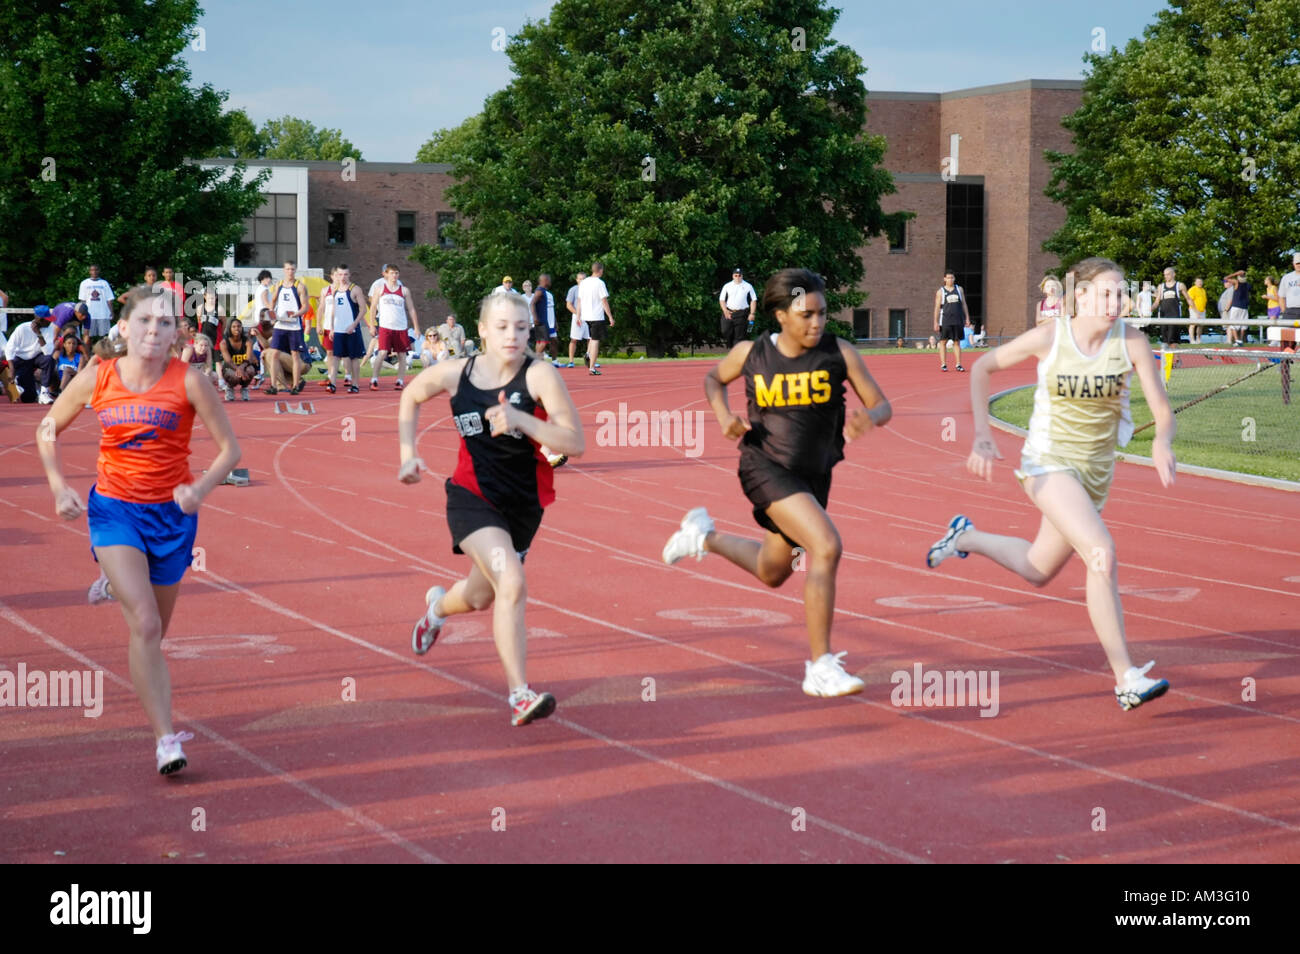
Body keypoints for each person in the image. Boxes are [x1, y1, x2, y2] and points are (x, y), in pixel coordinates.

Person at [926, 256, 1175, 711]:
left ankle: (966, 537)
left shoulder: (1132, 342)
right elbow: (982, 368)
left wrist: (1162, 441)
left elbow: (1162, 409)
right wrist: (982, 435)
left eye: (1121, 293)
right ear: (1080, 295)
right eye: (1105, 293)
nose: (1115, 302)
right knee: (1101, 553)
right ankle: (1126, 677)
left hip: (1095, 478)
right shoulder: (1051, 337)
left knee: (1037, 569)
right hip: (1047, 466)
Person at [35, 283, 241, 774]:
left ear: (176, 333)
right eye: (145, 321)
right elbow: (47, 428)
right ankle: (165, 739)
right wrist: (58, 485)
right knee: (145, 623)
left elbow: (230, 451)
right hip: (115, 510)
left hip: (173, 518)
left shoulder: (190, 381)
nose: (154, 330)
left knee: (155, 633)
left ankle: (115, 582)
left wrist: (201, 489)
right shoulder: (98, 377)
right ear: (123, 328)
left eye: (165, 323)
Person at [662, 268, 892, 697]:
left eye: (822, 313)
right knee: (826, 545)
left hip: (812, 478)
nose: (817, 323)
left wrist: (870, 418)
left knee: (773, 571)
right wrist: (722, 415)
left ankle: (702, 537)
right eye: (807, 314)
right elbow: (713, 378)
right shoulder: (753, 354)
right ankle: (820, 666)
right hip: (763, 466)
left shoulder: (838, 353)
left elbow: (882, 404)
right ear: (782, 315)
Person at [399, 290, 585, 726]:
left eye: (521, 328)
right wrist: (407, 452)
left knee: (481, 596)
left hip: (523, 507)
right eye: (501, 327)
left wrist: (523, 421)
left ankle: (435, 609)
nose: (512, 336)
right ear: (481, 330)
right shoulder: (456, 374)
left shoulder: (538, 376)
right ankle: (520, 695)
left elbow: (575, 443)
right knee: (513, 583)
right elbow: (411, 395)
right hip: (472, 498)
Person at [367, 264, 421, 390]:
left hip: (401, 327)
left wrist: (416, 327)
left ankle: (400, 380)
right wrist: (372, 325)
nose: (394, 276)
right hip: (385, 326)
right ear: (385, 274)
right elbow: (373, 307)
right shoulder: (380, 289)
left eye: (396, 273)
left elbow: (411, 309)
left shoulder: (404, 290)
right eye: (391, 273)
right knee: (382, 352)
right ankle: (374, 379)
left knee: (402, 355)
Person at [266, 261, 310, 394]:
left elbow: (305, 306)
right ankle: (273, 385)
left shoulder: (300, 286)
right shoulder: (278, 285)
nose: (290, 272)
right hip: (280, 324)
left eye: (292, 269)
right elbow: (272, 302)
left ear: (295, 270)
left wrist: (296, 314)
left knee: (295, 355)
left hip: (294, 326)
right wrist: (271, 313)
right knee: (274, 354)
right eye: (287, 269)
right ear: (284, 270)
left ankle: (296, 386)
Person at [322, 265, 367, 394]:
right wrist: (331, 328)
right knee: (336, 356)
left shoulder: (355, 289)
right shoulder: (335, 290)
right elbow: (333, 311)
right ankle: (333, 384)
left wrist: (354, 324)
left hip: (351, 329)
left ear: (349, 275)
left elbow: (363, 309)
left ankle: (355, 385)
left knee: (353, 358)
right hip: (338, 329)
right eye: (340, 275)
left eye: (345, 274)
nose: (342, 277)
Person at [4, 305, 57, 403]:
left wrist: (39, 334)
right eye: (48, 319)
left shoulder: (49, 328)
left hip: (37, 358)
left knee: (49, 360)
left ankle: (44, 393)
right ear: (40, 319)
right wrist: (11, 369)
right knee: (29, 399)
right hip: (21, 359)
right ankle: (20, 384)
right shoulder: (22, 328)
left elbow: (48, 353)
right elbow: (9, 348)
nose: (50, 321)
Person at [577, 261, 613, 375]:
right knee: (596, 340)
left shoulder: (583, 283)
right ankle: (592, 367)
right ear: (600, 270)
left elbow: (579, 300)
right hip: (596, 316)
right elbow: (604, 300)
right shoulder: (600, 283)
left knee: (592, 337)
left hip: (586, 316)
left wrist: (578, 315)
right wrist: (610, 317)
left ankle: (588, 353)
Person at [933, 270, 971, 371]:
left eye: (952, 278)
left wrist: (967, 318)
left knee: (956, 342)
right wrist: (935, 322)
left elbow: (964, 304)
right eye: (948, 278)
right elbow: (937, 307)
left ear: (954, 278)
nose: (950, 280)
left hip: (958, 320)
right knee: (943, 342)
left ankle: (958, 364)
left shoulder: (959, 289)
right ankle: (943, 364)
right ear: (944, 279)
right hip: (945, 320)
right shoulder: (940, 291)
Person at [718, 267, 758, 349]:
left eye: (739, 275)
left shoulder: (748, 286)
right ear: (733, 276)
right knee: (725, 331)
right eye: (736, 275)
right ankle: (730, 345)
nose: (737, 277)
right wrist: (725, 310)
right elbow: (722, 300)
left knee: (739, 337)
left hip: (742, 314)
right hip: (729, 312)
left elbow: (753, 300)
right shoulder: (727, 286)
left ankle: (735, 353)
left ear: (742, 276)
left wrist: (752, 313)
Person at [220, 318, 256, 401]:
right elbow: (228, 361)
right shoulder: (224, 343)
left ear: (242, 328)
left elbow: (249, 359)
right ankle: (229, 388)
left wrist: (241, 368)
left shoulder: (248, 341)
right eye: (234, 327)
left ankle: (244, 388)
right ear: (229, 328)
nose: (237, 328)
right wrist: (238, 369)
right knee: (234, 376)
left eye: (239, 326)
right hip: (229, 368)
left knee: (251, 370)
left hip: (244, 366)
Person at [1154, 267, 1188, 348]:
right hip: (1163, 316)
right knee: (1165, 342)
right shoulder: (1161, 286)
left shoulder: (1180, 285)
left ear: (1174, 274)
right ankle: (1167, 360)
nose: (1166, 276)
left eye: (1168, 274)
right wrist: (1150, 310)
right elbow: (1157, 301)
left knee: (1173, 341)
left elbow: (1188, 299)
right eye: (1165, 275)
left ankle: (1176, 359)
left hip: (1174, 316)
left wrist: (1195, 311)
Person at [78, 265, 115, 339]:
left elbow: (109, 299)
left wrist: (111, 312)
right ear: (89, 271)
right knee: (87, 336)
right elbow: (82, 300)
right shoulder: (84, 283)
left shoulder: (104, 283)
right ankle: (88, 350)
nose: (94, 272)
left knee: (104, 336)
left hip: (103, 314)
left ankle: (103, 350)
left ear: (99, 271)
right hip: (89, 314)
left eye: (96, 270)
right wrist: (82, 313)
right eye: (92, 270)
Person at [530, 274, 557, 361]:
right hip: (541, 321)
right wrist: (535, 318)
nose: (550, 282)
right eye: (549, 280)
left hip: (542, 320)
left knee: (540, 342)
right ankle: (534, 359)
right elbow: (532, 303)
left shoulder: (543, 291)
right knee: (544, 342)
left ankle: (538, 361)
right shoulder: (540, 291)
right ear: (544, 281)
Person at [562, 271, 586, 368]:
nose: (582, 280)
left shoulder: (590, 289)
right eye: (580, 279)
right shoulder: (573, 290)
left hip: (589, 316)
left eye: (583, 278)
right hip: (577, 316)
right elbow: (568, 305)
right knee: (574, 339)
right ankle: (571, 361)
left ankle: (591, 361)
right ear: (577, 280)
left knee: (591, 339)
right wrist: (578, 314)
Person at [1224, 270, 1251, 346]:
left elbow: (1225, 278)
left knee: (1233, 324)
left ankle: (1237, 340)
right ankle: (1241, 340)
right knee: (1243, 325)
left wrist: (1235, 273)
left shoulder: (1236, 283)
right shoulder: (1247, 285)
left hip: (1236, 306)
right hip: (1244, 307)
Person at [1279, 253, 1300, 324]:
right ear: (1293, 263)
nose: (1299, 265)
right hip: (1290, 312)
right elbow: (1281, 296)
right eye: (1297, 263)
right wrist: (1284, 311)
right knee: (1288, 334)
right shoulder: (1286, 278)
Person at [1186, 277, 1207, 345]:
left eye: (1201, 281)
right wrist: (1196, 311)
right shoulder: (1192, 289)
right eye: (1198, 281)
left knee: (1201, 325)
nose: (1200, 283)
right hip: (1194, 310)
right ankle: (1192, 340)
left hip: (1202, 310)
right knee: (1193, 324)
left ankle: (1198, 339)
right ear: (1195, 282)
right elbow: (1190, 301)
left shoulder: (1203, 290)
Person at [1217, 278, 1235, 346]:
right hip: (1225, 311)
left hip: (1227, 311)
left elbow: (1230, 300)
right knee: (1227, 326)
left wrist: (1226, 309)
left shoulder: (1231, 289)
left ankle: (1229, 340)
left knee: (1228, 325)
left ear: (1229, 283)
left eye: (1225, 282)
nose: (1224, 284)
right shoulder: (1228, 290)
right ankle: (1229, 340)